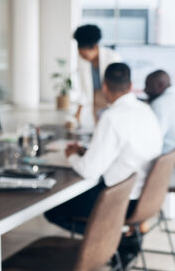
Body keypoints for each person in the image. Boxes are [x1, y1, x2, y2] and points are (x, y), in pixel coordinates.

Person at [45, 62, 162, 265]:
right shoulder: (146, 110)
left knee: (54, 210)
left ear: (105, 87)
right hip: (143, 196)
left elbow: (89, 170)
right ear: (131, 85)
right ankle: (119, 241)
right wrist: (89, 152)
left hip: (118, 202)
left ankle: (116, 241)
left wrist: (72, 155)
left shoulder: (112, 117)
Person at [73, 24, 121, 127]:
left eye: (85, 55)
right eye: (81, 55)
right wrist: (78, 113)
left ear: (94, 47)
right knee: (97, 129)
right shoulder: (82, 60)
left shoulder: (112, 57)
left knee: (110, 127)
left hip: (110, 98)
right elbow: (83, 89)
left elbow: (118, 86)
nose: (83, 58)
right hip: (93, 99)